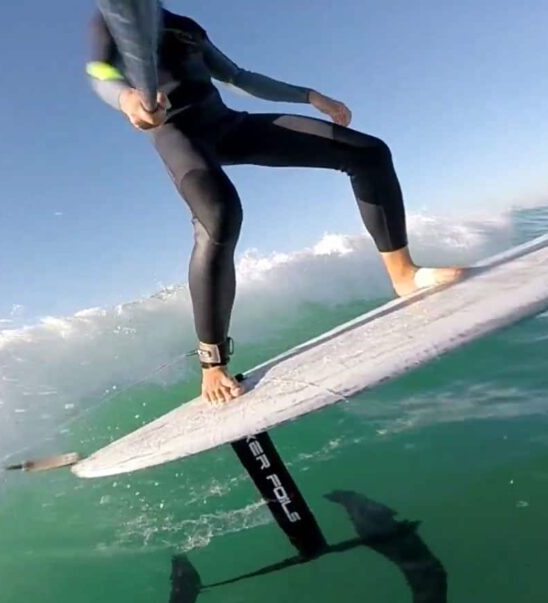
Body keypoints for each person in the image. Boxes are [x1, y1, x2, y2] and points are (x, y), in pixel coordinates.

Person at [87, 6, 464, 405]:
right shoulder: (109, 19)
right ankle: (212, 364)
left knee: (368, 153)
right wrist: (127, 97)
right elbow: (99, 74)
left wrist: (309, 96)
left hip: (227, 125)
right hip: (177, 133)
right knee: (220, 214)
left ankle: (404, 275)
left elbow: (237, 77)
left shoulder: (184, 26)